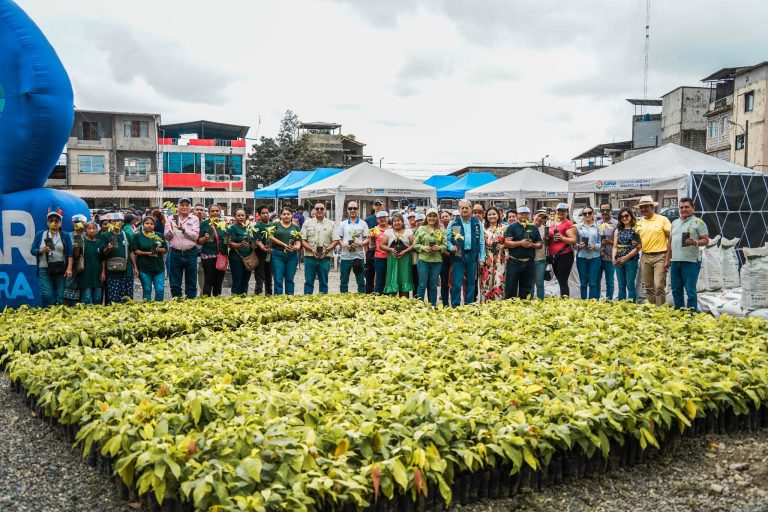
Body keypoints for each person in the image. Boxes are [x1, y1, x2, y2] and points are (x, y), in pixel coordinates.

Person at [669, 197, 709, 311]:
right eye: (681, 207)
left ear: (693, 208)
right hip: (675, 261)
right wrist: (667, 259)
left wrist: (695, 242)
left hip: (691, 261)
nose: (684, 209)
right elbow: (670, 242)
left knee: (690, 290)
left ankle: (691, 315)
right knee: (676, 289)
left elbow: (706, 240)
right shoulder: (675, 223)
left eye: (687, 207)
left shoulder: (698, 222)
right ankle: (679, 312)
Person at [30, 207, 74, 307]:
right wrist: (41, 250)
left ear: (61, 223)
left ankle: (60, 317)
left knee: (60, 295)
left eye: (57, 220)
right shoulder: (41, 234)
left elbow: (70, 253)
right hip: (44, 269)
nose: (54, 222)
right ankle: (48, 315)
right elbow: (33, 250)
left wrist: (69, 268)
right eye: (51, 220)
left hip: (60, 269)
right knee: (47, 294)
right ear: (47, 222)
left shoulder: (65, 235)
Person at [446, 200, 486, 306]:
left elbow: (481, 242)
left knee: (471, 283)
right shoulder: (454, 222)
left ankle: (469, 305)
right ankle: (455, 306)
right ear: (459, 210)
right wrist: (450, 247)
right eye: (462, 208)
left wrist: (482, 259)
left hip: (472, 256)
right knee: (457, 283)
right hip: (458, 256)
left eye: (466, 208)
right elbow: (446, 239)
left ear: (471, 210)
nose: (464, 210)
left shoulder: (477, 222)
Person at [636, 195, 672, 306]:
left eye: (646, 207)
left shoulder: (663, 220)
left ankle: (660, 309)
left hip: (660, 256)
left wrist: (668, 258)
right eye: (641, 207)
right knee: (648, 286)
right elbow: (637, 241)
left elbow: (670, 238)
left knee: (659, 285)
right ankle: (652, 309)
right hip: (645, 256)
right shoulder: (639, 222)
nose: (643, 209)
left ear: (652, 207)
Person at [300, 202, 340, 294]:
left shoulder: (331, 224)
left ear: (325, 210)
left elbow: (336, 240)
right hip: (310, 257)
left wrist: (326, 250)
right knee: (309, 282)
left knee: (324, 283)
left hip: (325, 258)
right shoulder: (307, 223)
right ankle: (307, 303)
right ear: (313, 210)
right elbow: (302, 240)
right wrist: (311, 249)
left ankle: (323, 304)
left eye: (321, 209)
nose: (319, 210)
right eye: (317, 208)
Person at [164, 198, 200, 299]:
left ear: (190, 208)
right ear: (177, 207)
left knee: (191, 281)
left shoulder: (194, 219)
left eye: (187, 205)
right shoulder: (171, 218)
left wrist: (183, 230)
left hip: (190, 253)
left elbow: (195, 237)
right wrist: (171, 230)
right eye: (182, 205)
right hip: (175, 253)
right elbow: (166, 237)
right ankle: (176, 303)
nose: (184, 207)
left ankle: (191, 303)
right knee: (175, 281)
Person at [503, 206, 542, 299]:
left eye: (526, 213)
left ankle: (524, 309)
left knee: (526, 288)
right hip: (514, 262)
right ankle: (509, 308)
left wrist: (532, 245)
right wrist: (520, 243)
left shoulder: (533, 227)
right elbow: (507, 242)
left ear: (529, 215)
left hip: (529, 262)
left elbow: (540, 244)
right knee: (511, 287)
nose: (524, 215)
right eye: (521, 213)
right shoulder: (512, 227)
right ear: (517, 215)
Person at [413, 208, 446, 306]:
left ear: (437, 217)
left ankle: (433, 306)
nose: (432, 218)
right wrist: (423, 247)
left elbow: (445, 245)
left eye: (434, 216)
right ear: (426, 217)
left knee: (433, 285)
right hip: (424, 260)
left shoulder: (440, 230)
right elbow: (415, 244)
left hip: (436, 261)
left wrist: (439, 247)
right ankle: (419, 305)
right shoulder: (421, 229)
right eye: (430, 216)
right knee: (422, 284)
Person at [102, 212, 137, 304]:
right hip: (112, 270)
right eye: (113, 221)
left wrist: (135, 267)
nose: (116, 223)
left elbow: (131, 252)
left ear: (122, 223)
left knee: (127, 297)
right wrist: (108, 248)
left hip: (127, 269)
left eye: (118, 221)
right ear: (110, 223)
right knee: (113, 297)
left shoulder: (127, 235)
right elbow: (102, 254)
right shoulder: (106, 235)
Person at [131, 216, 167, 301]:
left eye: (151, 224)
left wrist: (158, 249)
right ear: (143, 224)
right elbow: (135, 250)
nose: (149, 225)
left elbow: (165, 249)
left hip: (158, 267)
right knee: (147, 290)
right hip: (144, 268)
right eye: (147, 223)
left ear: (154, 225)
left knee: (160, 290)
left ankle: (159, 309)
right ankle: (147, 310)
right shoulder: (137, 236)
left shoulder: (158, 235)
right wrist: (146, 253)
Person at [269, 207, 302, 295]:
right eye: (284, 214)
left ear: (292, 215)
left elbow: (298, 244)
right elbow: (271, 237)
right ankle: (278, 299)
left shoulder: (296, 227)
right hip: (277, 255)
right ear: (280, 215)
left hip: (292, 256)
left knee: (290, 279)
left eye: (288, 214)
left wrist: (294, 248)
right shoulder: (275, 225)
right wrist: (284, 245)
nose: (286, 216)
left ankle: (289, 299)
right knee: (278, 279)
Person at [338, 201, 369, 294]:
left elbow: (367, 239)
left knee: (361, 282)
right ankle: (344, 301)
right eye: (350, 208)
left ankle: (362, 301)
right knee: (343, 282)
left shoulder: (363, 224)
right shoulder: (342, 224)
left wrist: (360, 244)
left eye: (355, 208)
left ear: (357, 210)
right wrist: (343, 244)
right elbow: (338, 239)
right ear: (347, 210)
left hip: (358, 257)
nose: (352, 210)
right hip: (345, 257)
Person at [197, 205, 228, 297]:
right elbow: (199, 241)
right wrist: (205, 238)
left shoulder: (224, 224)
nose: (215, 213)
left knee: (219, 281)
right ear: (209, 213)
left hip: (222, 256)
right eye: (212, 211)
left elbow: (226, 239)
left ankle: (217, 303)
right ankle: (207, 303)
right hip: (208, 256)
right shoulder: (205, 224)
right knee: (209, 280)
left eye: (217, 211)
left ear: (220, 212)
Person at [612, 207, 642, 302]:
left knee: (630, 284)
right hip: (618, 260)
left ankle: (631, 307)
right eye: (622, 217)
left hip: (631, 260)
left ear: (631, 215)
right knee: (621, 285)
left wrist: (626, 257)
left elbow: (638, 247)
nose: (624, 218)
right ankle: (621, 308)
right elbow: (615, 246)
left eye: (626, 215)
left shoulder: (636, 229)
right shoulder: (618, 230)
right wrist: (613, 258)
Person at [548, 203, 577, 297]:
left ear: (567, 212)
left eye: (563, 211)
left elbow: (573, 240)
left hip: (565, 255)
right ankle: (563, 299)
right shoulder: (553, 223)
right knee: (559, 280)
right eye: (559, 210)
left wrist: (562, 237)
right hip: (554, 256)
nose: (560, 212)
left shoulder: (568, 223)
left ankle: (564, 302)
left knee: (562, 280)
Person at [382, 213, 414, 297]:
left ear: (403, 222)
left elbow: (414, 244)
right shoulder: (388, 232)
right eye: (394, 221)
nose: (396, 222)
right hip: (392, 259)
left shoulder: (408, 231)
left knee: (404, 280)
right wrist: (390, 249)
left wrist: (405, 251)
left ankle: (404, 304)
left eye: (399, 220)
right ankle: (393, 304)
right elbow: (381, 245)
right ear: (392, 223)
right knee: (393, 281)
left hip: (405, 260)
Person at [480, 206, 507, 301]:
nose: (492, 216)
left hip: (499, 257)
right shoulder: (482, 228)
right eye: (489, 214)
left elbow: (508, 242)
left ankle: (498, 304)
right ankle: (485, 305)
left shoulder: (504, 228)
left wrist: (503, 246)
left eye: (494, 214)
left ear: (498, 215)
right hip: (486, 257)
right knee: (486, 282)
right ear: (486, 216)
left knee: (498, 282)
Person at [575, 206, 602, 299]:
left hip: (595, 257)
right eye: (585, 213)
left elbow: (602, 243)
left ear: (593, 213)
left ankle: (592, 304)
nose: (587, 215)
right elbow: (573, 243)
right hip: (581, 257)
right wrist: (578, 245)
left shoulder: (598, 227)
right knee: (583, 283)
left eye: (589, 213)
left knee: (593, 283)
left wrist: (595, 246)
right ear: (582, 215)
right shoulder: (577, 227)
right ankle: (583, 303)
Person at [227, 209, 253, 295]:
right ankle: (235, 301)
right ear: (234, 217)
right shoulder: (232, 228)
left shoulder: (249, 227)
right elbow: (230, 244)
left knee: (246, 281)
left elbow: (252, 240)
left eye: (243, 215)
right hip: (236, 258)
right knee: (237, 281)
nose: (241, 217)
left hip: (248, 258)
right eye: (238, 215)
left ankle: (244, 300)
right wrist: (240, 245)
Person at [77, 222, 104, 305]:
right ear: (86, 230)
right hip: (86, 274)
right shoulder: (82, 241)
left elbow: (103, 258)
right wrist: (77, 246)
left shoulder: (100, 242)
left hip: (98, 274)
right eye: (89, 228)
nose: (92, 230)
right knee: (87, 298)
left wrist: (103, 272)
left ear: (97, 229)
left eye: (94, 228)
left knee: (97, 298)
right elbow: (76, 255)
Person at [64, 214, 87, 305]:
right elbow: (73, 254)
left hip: (86, 265)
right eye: (76, 222)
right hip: (72, 265)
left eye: (81, 222)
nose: (78, 224)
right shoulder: (68, 236)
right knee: (68, 289)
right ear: (73, 223)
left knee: (83, 292)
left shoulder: (86, 235)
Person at [597, 202, 618, 300]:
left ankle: (609, 301)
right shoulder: (597, 223)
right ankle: (595, 300)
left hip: (609, 257)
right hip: (597, 257)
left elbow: (621, 243)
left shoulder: (616, 224)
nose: (605, 212)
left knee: (609, 282)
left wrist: (609, 242)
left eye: (607, 210)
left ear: (611, 210)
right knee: (596, 281)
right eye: (602, 210)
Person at [364, 199, 385, 293]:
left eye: (380, 205)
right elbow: (365, 236)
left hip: (384, 252)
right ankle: (369, 293)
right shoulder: (368, 220)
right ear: (373, 207)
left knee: (382, 274)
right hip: (371, 251)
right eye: (376, 205)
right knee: (369, 274)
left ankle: (383, 293)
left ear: (383, 206)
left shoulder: (388, 219)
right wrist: (366, 251)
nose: (378, 207)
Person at [252, 206, 273, 296]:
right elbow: (257, 240)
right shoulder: (257, 226)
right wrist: (263, 248)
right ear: (259, 215)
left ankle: (269, 293)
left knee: (269, 274)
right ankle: (258, 292)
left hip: (271, 253)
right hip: (260, 254)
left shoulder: (273, 225)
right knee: (259, 274)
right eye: (263, 213)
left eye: (267, 213)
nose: (265, 215)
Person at [370, 210, 391, 294]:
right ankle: (378, 297)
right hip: (379, 257)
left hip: (391, 257)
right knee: (379, 279)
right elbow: (371, 244)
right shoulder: (374, 230)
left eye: (384, 217)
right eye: (380, 218)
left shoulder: (392, 228)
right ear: (377, 219)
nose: (382, 219)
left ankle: (388, 297)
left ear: (388, 218)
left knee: (389, 278)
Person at [532, 210, 548, 300]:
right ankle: (529, 303)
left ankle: (540, 302)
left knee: (540, 283)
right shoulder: (527, 227)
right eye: (539, 216)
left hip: (541, 259)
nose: (540, 218)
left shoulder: (545, 228)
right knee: (530, 283)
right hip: (529, 259)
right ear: (534, 216)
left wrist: (547, 240)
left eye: (543, 217)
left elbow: (548, 244)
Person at [438, 210, 452, 305]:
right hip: (442, 257)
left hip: (454, 257)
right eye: (442, 217)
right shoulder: (438, 229)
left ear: (450, 216)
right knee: (444, 281)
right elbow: (438, 243)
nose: (444, 218)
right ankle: (445, 303)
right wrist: (445, 252)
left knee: (453, 281)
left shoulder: (455, 227)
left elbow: (457, 241)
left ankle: (455, 302)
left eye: (446, 216)